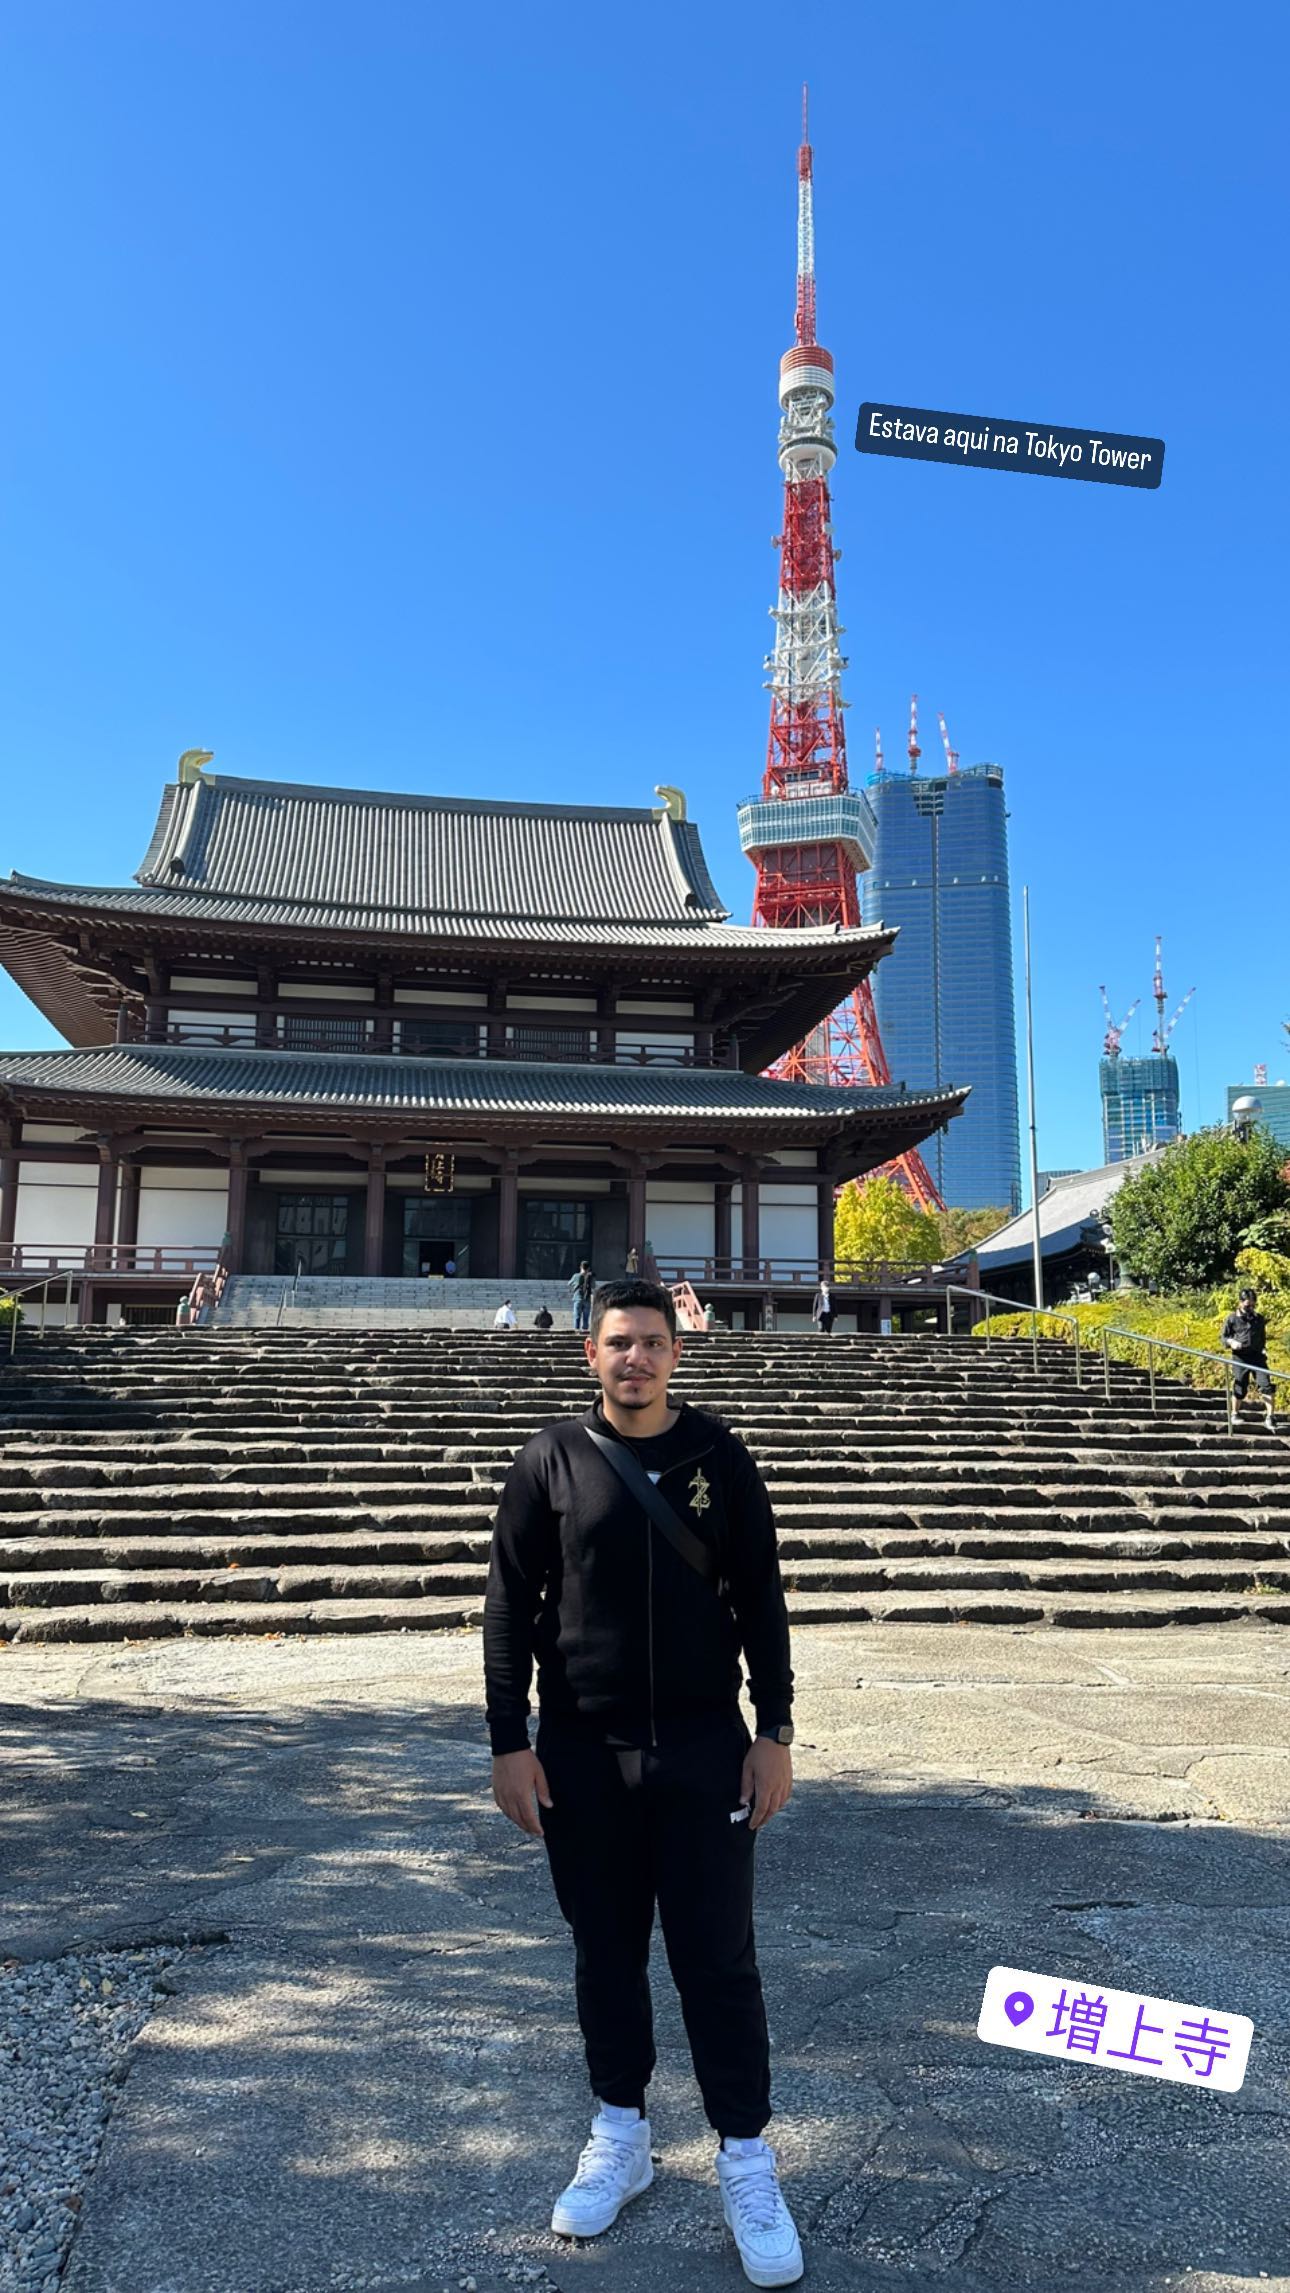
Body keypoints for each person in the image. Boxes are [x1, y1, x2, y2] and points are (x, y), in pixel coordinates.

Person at [484, 1278, 802, 2287]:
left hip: (708, 1742)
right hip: (583, 1746)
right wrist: (509, 1740)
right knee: (606, 1952)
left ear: (677, 1352)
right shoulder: (551, 1461)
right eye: (618, 1343)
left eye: (653, 1343)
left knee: (718, 1958)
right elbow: (506, 1606)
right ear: (590, 1354)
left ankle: (745, 2156)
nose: (636, 1359)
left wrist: (776, 1730)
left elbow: (762, 1596)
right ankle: (619, 2131)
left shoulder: (718, 1455)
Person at [1222, 1285, 1274, 1427]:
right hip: (1240, 1357)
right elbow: (1224, 1337)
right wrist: (1231, 1342)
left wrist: (1263, 1348)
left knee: (1266, 1385)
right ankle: (1235, 1413)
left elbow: (1262, 1337)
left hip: (1257, 1357)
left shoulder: (1259, 1319)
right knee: (1240, 1385)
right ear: (1240, 1302)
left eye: (1252, 1305)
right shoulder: (1232, 1319)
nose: (1250, 1308)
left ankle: (1270, 1417)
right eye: (1247, 1305)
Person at [568, 1258, 596, 1333]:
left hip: (578, 1298)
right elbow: (593, 1287)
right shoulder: (591, 1277)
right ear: (589, 1268)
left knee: (577, 1317)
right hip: (587, 1299)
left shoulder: (576, 1276)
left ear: (580, 1267)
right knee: (586, 1318)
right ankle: (585, 1333)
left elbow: (569, 1284)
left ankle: (577, 1332)